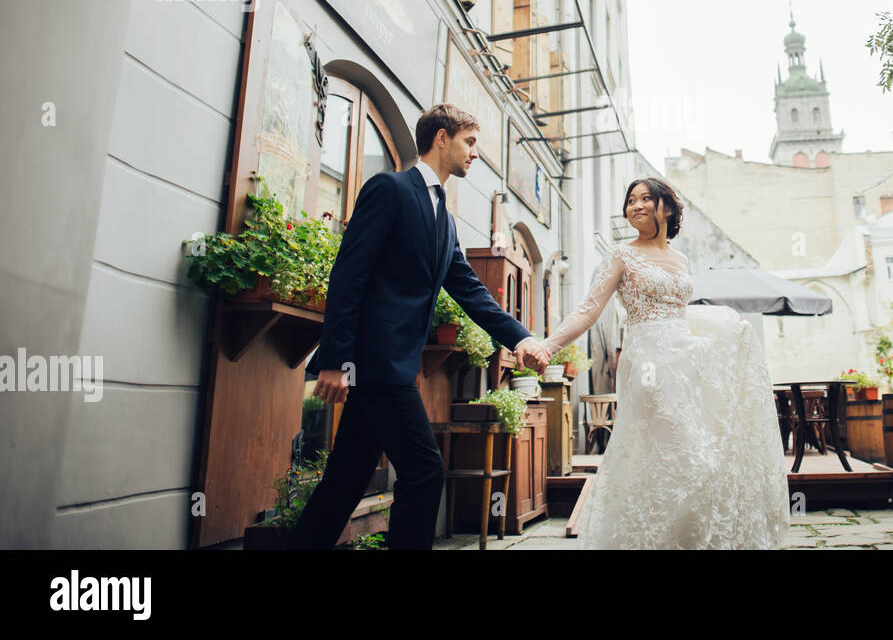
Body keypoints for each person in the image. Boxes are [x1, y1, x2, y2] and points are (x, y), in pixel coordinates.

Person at [289, 104, 551, 550]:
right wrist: (334, 360)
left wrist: (521, 337)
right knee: (425, 471)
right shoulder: (389, 189)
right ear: (442, 138)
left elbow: (470, 290)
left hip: (395, 365)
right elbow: (349, 275)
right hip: (376, 365)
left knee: (344, 482)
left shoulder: (444, 219)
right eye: (470, 142)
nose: (475, 153)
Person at [542, 177, 791, 549]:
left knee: (698, 452)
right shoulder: (621, 255)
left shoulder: (681, 258)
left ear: (668, 208)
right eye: (630, 200)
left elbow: (680, 312)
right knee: (664, 443)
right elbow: (590, 308)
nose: (636, 206)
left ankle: (687, 538)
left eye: (646, 198)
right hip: (648, 363)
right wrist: (549, 345)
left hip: (688, 363)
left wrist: (725, 325)